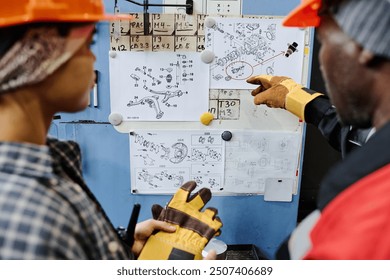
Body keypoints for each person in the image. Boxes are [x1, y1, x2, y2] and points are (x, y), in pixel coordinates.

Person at [0, 0, 221, 260]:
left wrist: (119, 244)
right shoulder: (28, 212)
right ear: (38, 54)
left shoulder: (47, 173)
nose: (93, 59)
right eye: (88, 45)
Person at [249, 0, 390, 259]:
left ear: (364, 47)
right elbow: (361, 138)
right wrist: (303, 101)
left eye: (324, 41)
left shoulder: (374, 213)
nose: (323, 61)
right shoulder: (379, 145)